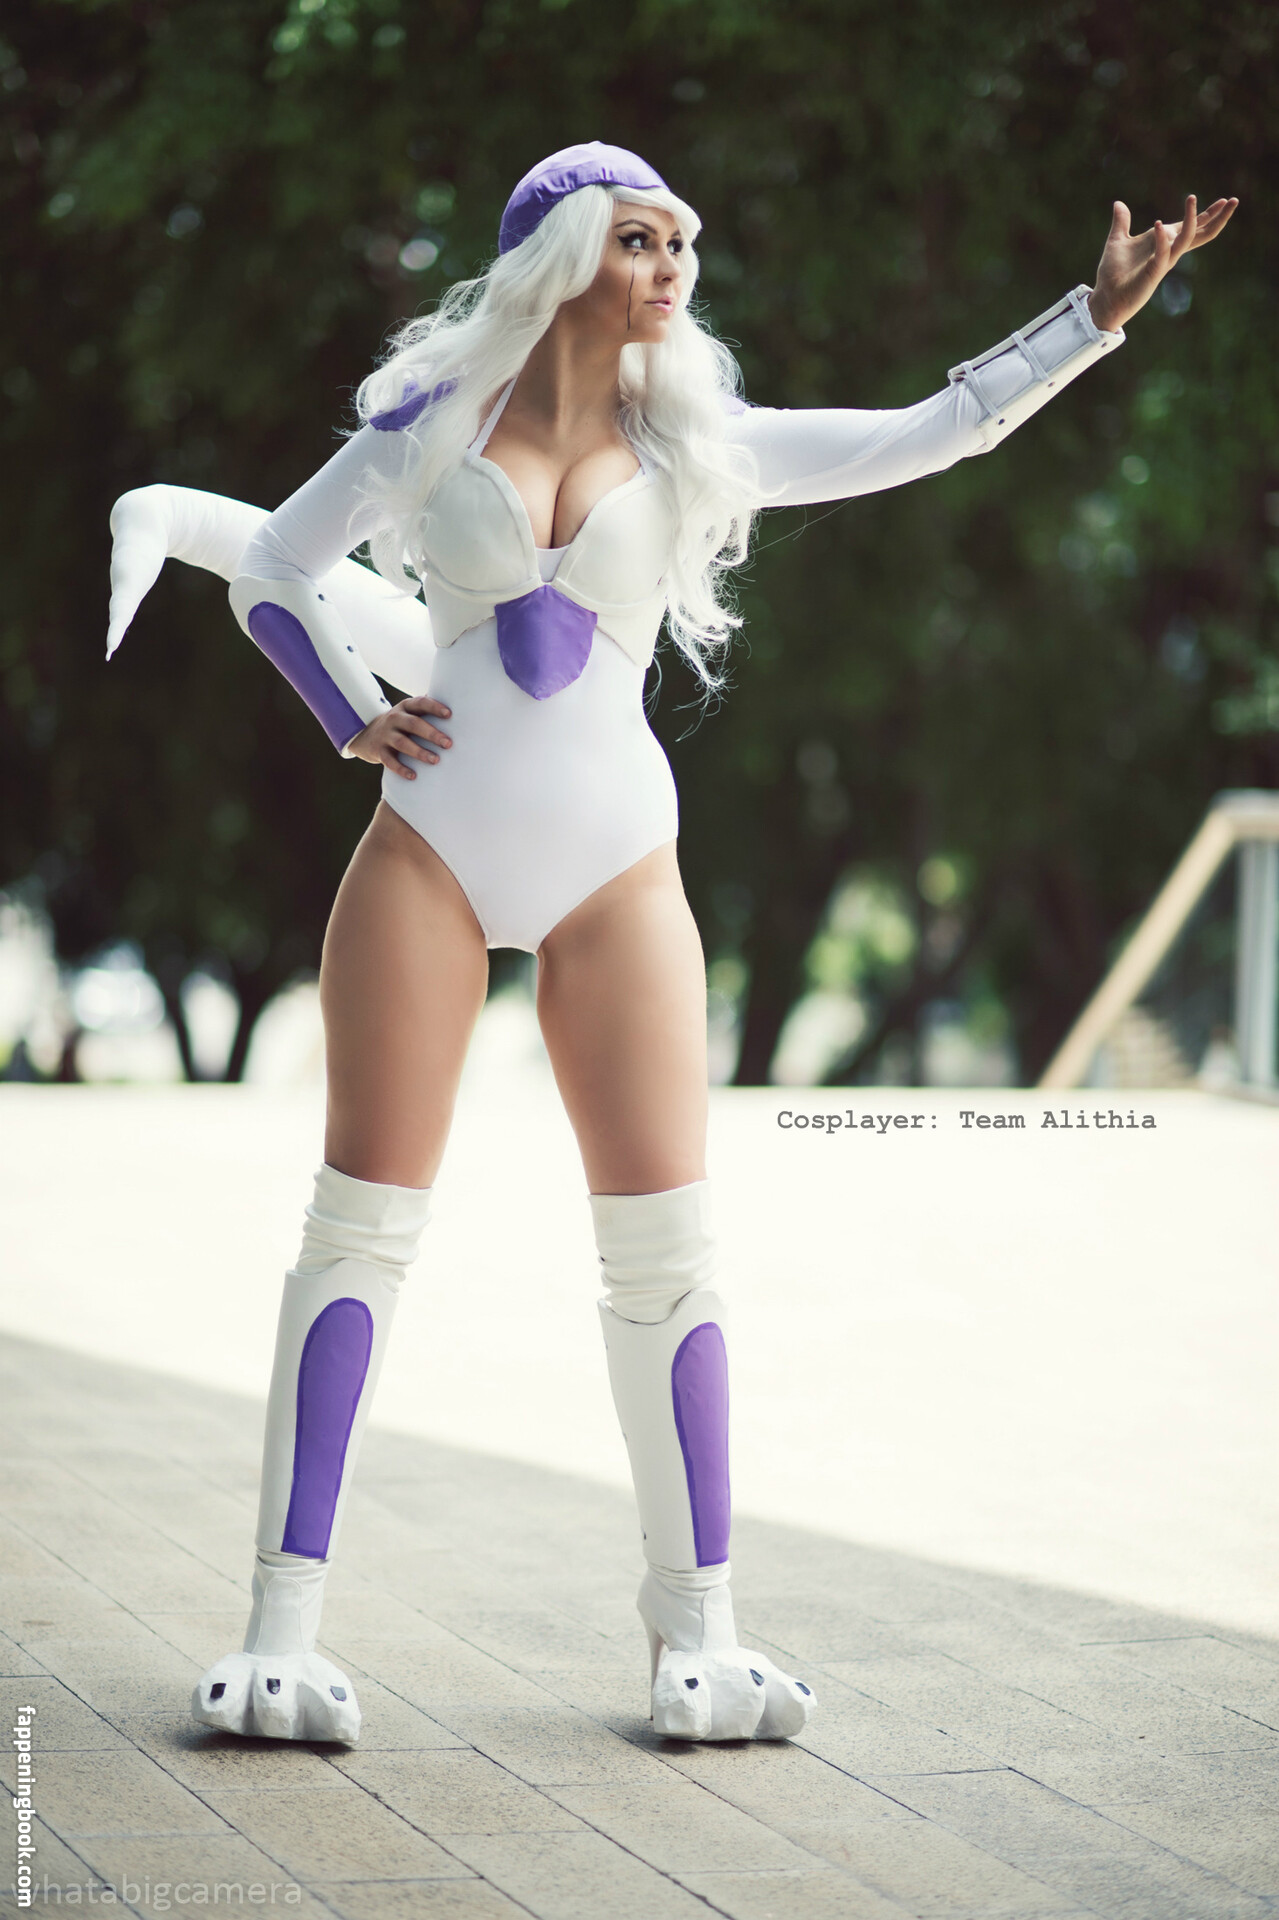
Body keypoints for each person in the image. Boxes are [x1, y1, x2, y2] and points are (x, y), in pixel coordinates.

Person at [106, 143, 1236, 1746]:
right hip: (426, 857)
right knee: (356, 1233)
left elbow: (932, 429)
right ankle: (278, 1633)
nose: (672, 268)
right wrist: (350, 713)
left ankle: (697, 1638)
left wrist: (1092, 320)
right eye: (639, 240)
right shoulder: (426, 429)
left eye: (681, 243)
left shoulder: (699, 447)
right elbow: (279, 571)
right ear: (564, 254)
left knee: (667, 1258)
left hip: (620, 871)